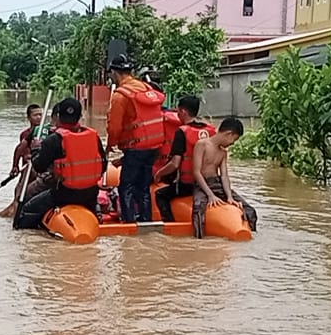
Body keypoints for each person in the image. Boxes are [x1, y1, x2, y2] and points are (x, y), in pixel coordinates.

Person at [13, 97, 107, 230]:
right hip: (90, 193)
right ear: (80, 116)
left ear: (58, 116)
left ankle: (29, 234)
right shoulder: (94, 137)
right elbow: (103, 166)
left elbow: (39, 166)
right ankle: (95, 209)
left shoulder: (53, 140)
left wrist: (35, 149)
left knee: (27, 207)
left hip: (64, 193)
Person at [106, 55, 165, 223]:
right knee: (143, 187)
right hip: (154, 146)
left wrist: (110, 146)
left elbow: (115, 127)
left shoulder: (120, 95)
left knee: (126, 187)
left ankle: (129, 223)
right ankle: (146, 220)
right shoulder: (146, 88)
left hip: (135, 148)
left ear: (115, 73)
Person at [191, 117, 259, 239]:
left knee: (249, 209)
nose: (233, 143)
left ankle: (250, 235)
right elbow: (196, 172)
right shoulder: (202, 145)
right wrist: (210, 195)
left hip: (217, 183)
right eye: (235, 139)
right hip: (202, 185)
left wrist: (229, 197)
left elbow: (224, 176)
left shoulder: (223, 152)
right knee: (198, 209)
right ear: (229, 134)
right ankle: (198, 240)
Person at [154, 95, 216, 221]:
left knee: (160, 195)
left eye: (178, 112)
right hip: (210, 182)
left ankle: (170, 225)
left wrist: (159, 174)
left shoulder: (182, 132)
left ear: (183, 111)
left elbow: (175, 163)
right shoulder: (210, 131)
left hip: (188, 184)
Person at [0, 104, 54, 218]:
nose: (39, 117)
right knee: (19, 192)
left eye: (41, 115)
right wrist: (15, 166)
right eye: (35, 115)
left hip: (42, 170)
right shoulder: (25, 134)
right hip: (28, 170)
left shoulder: (48, 132)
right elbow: (20, 149)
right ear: (29, 118)